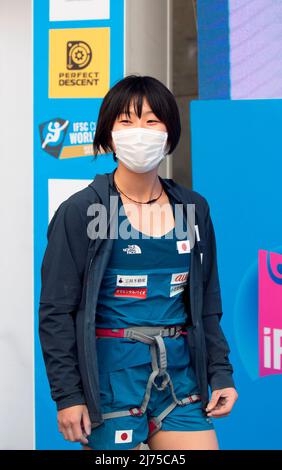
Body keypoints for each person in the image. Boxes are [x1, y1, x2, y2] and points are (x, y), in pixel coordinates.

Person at [39, 75, 238, 451]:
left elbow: (207, 305)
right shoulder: (83, 210)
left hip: (180, 383)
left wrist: (221, 373)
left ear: (168, 132)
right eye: (126, 121)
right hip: (112, 385)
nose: (139, 131)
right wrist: (68, 396)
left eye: (151, 120)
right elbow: (55, 312)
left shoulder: (193, 209)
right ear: (108, 134)